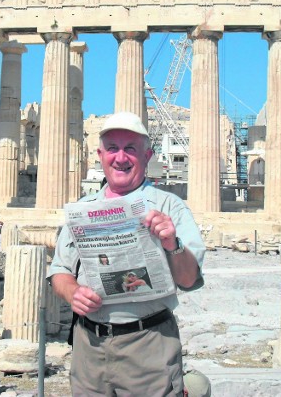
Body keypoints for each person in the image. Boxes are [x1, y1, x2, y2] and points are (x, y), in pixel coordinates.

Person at [48, 111, 206, 396]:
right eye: (113, 149)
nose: (121, 157)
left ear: (147, 156)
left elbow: (189, 279)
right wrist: (72, 292)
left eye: (130, 149)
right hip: (89, 347)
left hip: (149, 345)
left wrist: (173, 243)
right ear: (100, 155)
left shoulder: (171, 207)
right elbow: (59, 272)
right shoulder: (82, 210)